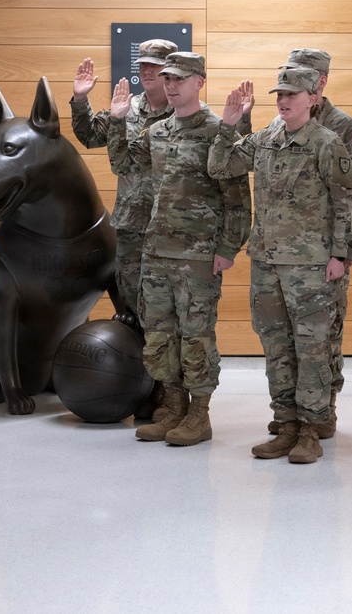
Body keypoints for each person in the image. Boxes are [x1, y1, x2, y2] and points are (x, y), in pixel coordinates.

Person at [209, 68, 352, 464]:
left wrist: (339, 255)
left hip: (311, 265)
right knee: (275, 345)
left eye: (293, 94)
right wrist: (228, 125)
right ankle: (287, 424)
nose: (284, 99)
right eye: (280, 93)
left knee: (311, 348)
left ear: (312, 98)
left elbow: (347, 202)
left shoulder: (327, 143)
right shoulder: (265, 138)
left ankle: (312, 429)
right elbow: (220, 166)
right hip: (266, 262)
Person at [106, 52, 250, 446]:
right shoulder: (158, 131)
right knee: (160, 334)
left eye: (179, 79)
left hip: (199, 255)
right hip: (157, 250)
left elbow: (237, 197)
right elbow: (124, 165)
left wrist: (228, 247)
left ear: (199, 82)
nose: (170, 85)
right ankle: (172, 407)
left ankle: (199, 415)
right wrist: (117, 121)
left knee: (196, 336)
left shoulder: (218, 131)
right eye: (167, 79)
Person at [262, 49, 352, 442]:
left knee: (321, 339)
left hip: (321, 256)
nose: (287, 95)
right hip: (279, 255)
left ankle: (320, 413)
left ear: (319, 85)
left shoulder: (341, 130)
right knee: (284, 340)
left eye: (303, 80)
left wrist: (345, 254)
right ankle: (293, 416)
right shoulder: (274, 129)